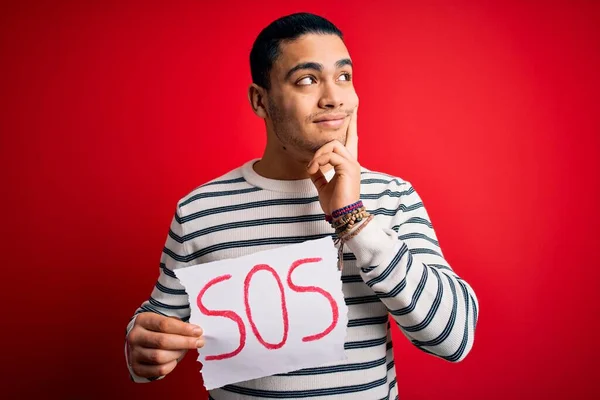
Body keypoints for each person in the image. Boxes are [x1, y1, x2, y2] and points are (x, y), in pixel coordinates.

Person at [124, 12, 479, 399]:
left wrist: (355, 221)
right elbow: (157, 327)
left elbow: (454, 338)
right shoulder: (199, 211)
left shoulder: (392, 197)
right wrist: (140, 345)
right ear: (260, 100)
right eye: (307, 80)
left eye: (344, 76)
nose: (333, 98)